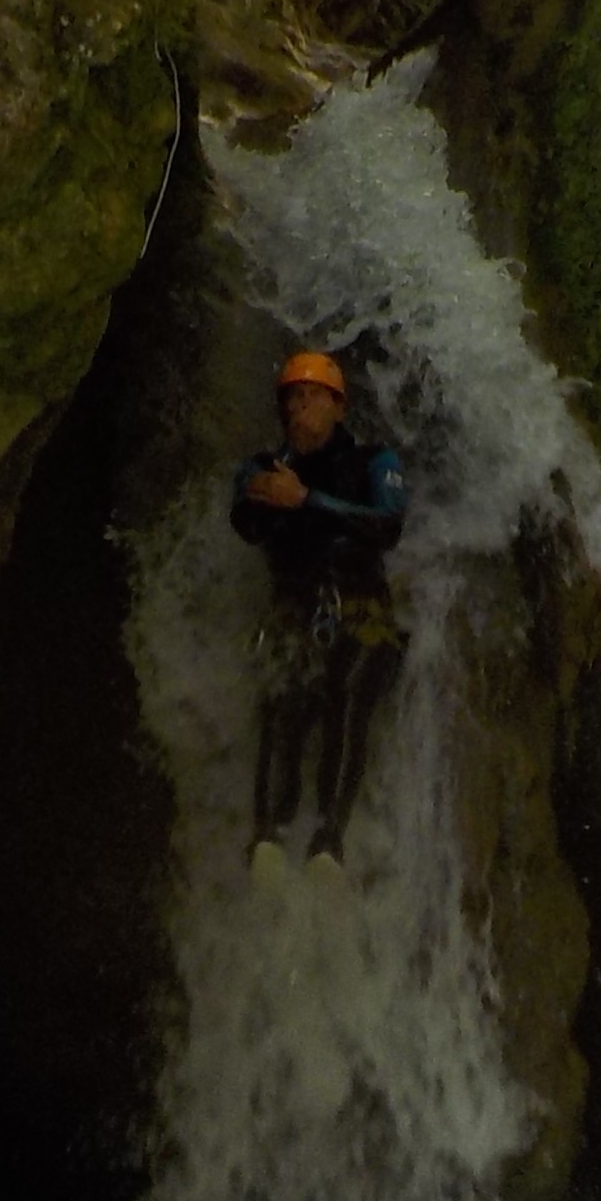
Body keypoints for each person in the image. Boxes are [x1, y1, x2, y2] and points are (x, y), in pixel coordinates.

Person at [231, 348, 409, 870]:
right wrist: (263, 497)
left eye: (312, 397)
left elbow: (387, 527)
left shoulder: (375, 462)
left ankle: (330, 839)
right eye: (292, 398)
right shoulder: (264, 467)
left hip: (360, 608)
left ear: (338, 407)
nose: (299, 409)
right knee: (282, 692)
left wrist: (307, 500)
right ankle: (268, 835)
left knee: (349, 693)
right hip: (294, 607)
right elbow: (246, 525)